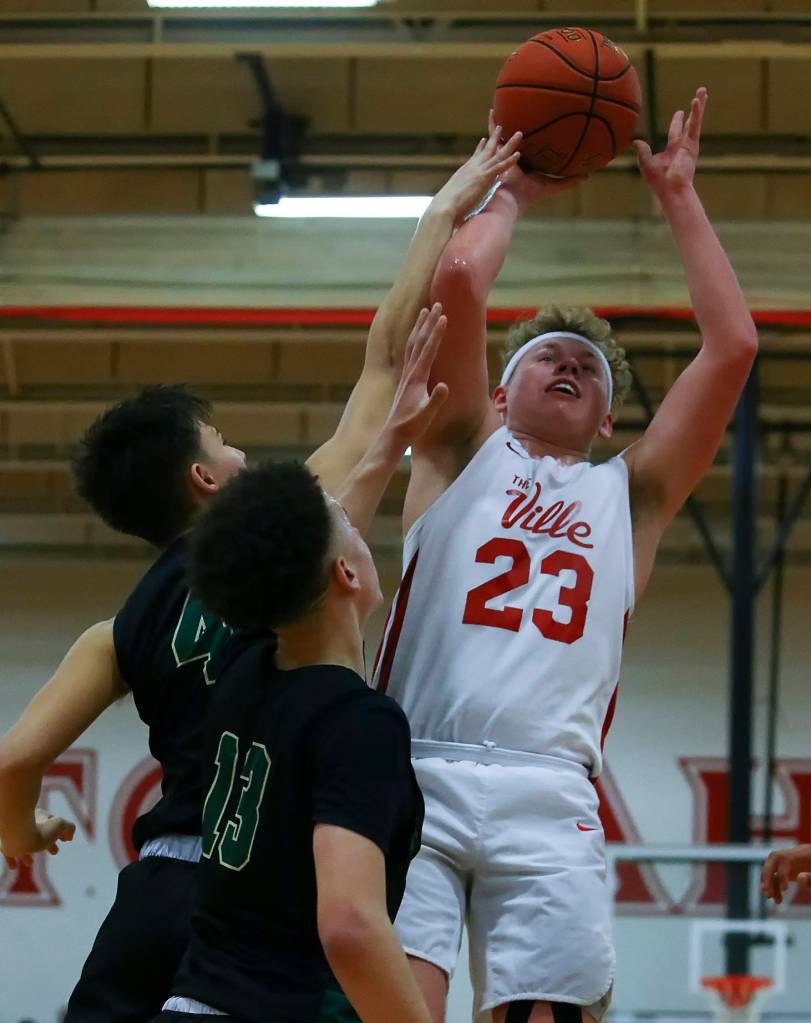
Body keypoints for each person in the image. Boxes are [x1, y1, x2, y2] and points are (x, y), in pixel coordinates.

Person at [0, 127, 522, 1023]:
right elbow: (387, 357)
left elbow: (14, 756)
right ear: (205, 479)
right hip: (257, 900)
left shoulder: (117, 629)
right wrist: (446, 207)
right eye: (225, 444)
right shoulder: (292, 541)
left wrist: (21, 833)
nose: (244, 452)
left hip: (152, 893)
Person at [373, 88, 759, 1023]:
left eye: (587, 369)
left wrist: (677, 196)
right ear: (499, 395)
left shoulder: (629, 494)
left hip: (550, 786)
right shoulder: (460, 444)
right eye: (548, 356)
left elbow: (733, 344)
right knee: (390, 1010)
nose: (571, 366)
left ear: (608, 418)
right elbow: (459, 278)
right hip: (412, 763)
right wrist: (515, 191)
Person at [153, 303, 448, 1023]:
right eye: (351, 530)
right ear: (346, 575)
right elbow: (349, 924)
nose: (357, 520)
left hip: (189, 1001)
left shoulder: (242, 668)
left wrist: (390, 443)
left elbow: (291, 545)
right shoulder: (358, 722)